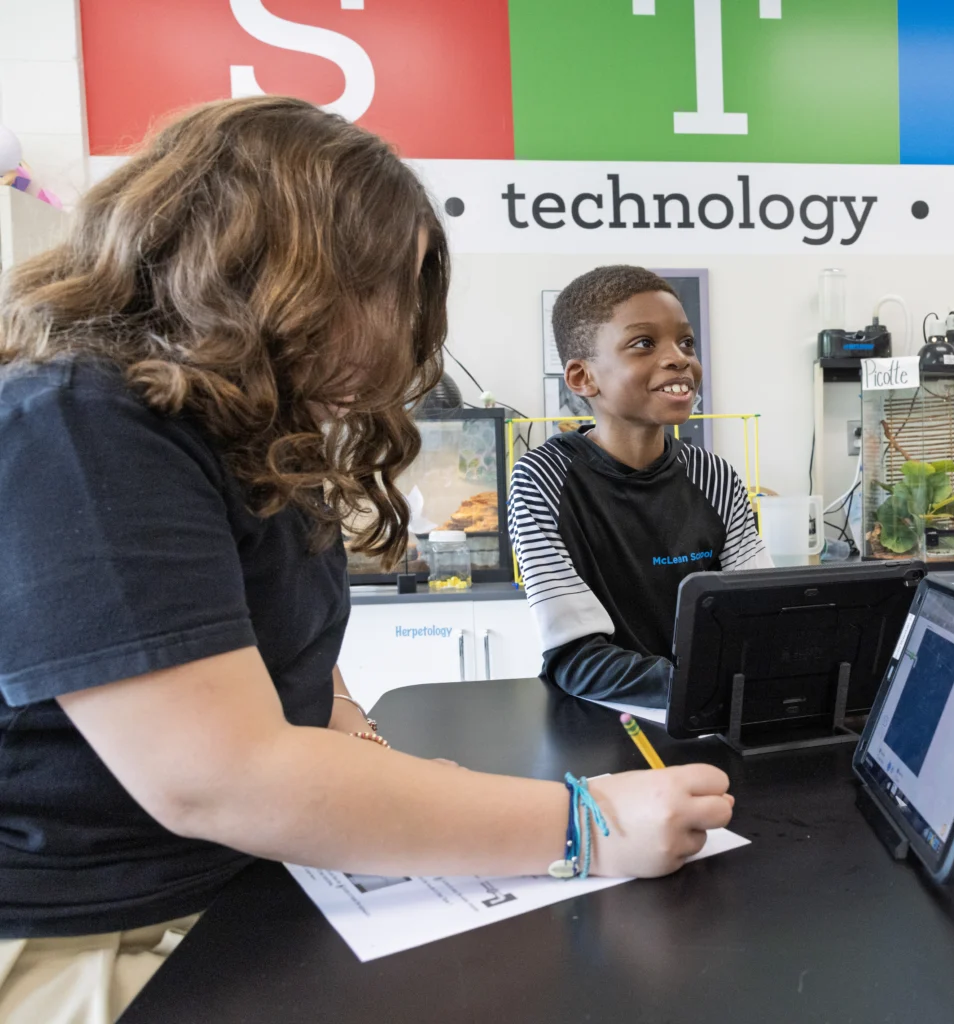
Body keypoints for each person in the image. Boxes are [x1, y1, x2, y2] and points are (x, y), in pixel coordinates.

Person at [0, 98, 732, 1023]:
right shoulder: (78, 419)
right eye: (385, 288)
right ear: (274, 263)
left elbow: (286, 652)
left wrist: (397, 777)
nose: (400, 330)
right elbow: (216, 775)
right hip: (101, 933)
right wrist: (586, 823)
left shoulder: (244, 423)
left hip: (240, 884)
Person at [509, 265, 772, 707]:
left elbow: (760, 613)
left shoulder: (716, 477)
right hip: (600, 723)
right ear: (581, 378)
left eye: (685, 342)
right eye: (644, 343)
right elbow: (575, 657)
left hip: (711, 713)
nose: (679, 358)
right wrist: (705, 686)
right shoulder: (542, 479)